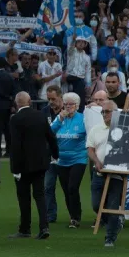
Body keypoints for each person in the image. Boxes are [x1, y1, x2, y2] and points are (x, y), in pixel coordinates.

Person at [8, 91, 59, 240]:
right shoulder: (40, 116)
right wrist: (55, 155)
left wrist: (15, 168)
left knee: (24, 197)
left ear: (17, 103)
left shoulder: (15, 119)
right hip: (40, 163)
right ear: (30, 101)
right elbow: (51, 137)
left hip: (23, 165)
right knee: (40, 195)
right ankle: (44, 227)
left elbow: (15, 145)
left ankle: (25, 228)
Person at [87, 100, 125, 247]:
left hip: (116, 175)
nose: (104, 114)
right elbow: (90, 148)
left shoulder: (123, 129)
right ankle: (116, 223)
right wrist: (96, 161)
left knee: (112, 206)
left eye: (107, 111)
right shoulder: (96, 129)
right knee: (96, 205)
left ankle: (110, 238)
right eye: (103, 112)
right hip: (99, 173)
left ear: (116, 113)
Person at [50, 92, 87, 229]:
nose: (68, 106)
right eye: (65, 104)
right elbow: (49, 132)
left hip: (79, 158)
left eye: (71, 104)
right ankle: (73, 216)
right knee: (66, 190)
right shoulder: (59, 118)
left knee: (73, 187)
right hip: (61, 159)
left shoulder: (83, 119)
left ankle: (76, 217)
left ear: (77, 105)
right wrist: (59, 119)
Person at [41, 84, 63, 222]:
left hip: (66, 155)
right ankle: (50, 215)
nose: (51, 102)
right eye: (49, 99)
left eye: (53, 99)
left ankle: (74, 216)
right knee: (48, 187)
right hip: (50, 155)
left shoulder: (69, 112)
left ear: (60, 97)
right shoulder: (44, 112)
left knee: (69, 189)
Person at [0, 57, 16, 155]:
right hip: (8, 106)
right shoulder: (9, 76)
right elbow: (13, 91)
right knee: (7, 129)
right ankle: (9, 151)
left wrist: (6, 97)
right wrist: (11, 101)